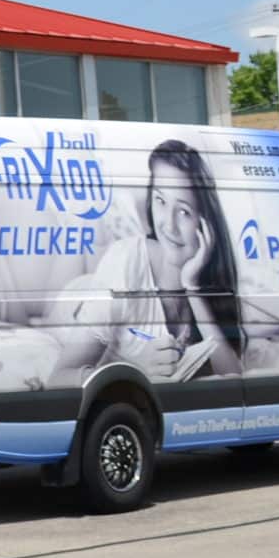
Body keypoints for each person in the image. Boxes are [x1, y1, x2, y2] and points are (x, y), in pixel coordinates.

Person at [52, 139, 246, 385]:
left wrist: (193, 288)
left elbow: (233, 381)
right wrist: (135, 371)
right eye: (160, 201)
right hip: (78, 297)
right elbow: (58, 378)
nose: (168, 224)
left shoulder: (207, 281)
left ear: (206, 223)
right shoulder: (124, 263)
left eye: (184, 211)